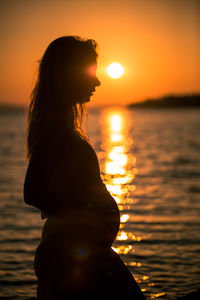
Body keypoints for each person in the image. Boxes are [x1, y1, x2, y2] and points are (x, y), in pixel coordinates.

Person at [24, 36, 146, 299]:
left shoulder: (61, 125)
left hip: (80, 251)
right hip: (70, 256)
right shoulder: (55, 127)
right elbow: (33, 191)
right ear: (69, 74)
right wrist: (86, 211)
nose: (98, 81)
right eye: (91, 72)